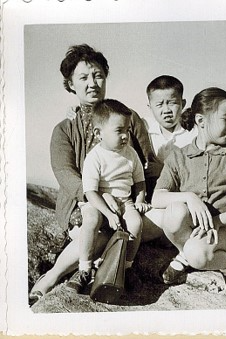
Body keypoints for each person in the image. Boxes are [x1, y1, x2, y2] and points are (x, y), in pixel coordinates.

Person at [29, 44, 155, 305]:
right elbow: (64, 172)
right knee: (96, 227)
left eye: (98, 75)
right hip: (83, 201)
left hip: (124, 199)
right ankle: (53, 277)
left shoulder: (128, 120)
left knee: (127, 224)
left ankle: (90, 270)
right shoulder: (64, 129)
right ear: (71, 84)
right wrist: (95, 197)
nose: (92, 83)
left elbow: (145, 163)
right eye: (83, 77)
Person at [151, 87, 226, 300]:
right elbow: (157, 198)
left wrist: (218, 221)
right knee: (173, 214)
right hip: (196, 231)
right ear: (201, 121)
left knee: (198, 255)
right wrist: (188, 197)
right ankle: (187, 252)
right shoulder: (179, 157)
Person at [66, 99, 150, 293]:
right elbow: (90, 192)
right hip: (98, 200)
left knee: (136, 223)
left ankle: (126, 267)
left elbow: (140, 182)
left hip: (124, 200)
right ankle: (85, 268)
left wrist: (139, 200)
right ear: (98, 133)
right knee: (91, 219)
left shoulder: (131, 154)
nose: (125, 136)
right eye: (119, 130)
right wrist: (108, 213)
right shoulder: (95, 157)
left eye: (127, 130)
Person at [143, 75, 197, 201]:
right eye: (159, 104)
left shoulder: (192, 135)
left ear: (182, 103)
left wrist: (162, 169)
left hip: (182, 197)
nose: (166, 110)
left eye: (172, 103)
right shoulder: (145, 129)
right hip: (150, 196)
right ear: (150, 107)